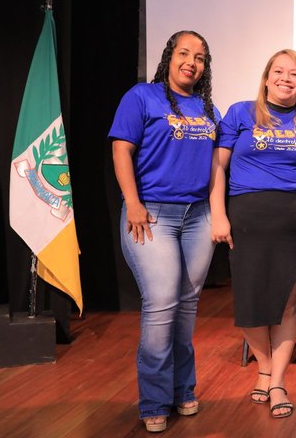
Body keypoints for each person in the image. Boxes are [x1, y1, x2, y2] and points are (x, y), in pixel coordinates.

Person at [209, 49, 296, 419]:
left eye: (294, 73)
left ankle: (277, 380)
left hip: (294, 224)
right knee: (248, 306)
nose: (285, 78)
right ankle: (264, 366)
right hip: (246, 219)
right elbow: (218, 167)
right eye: (278, 71)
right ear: (266, 78)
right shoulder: (240, 113)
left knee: (286, 305)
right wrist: (218, 215)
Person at [109, 30, 220, 433]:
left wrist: (217, 213)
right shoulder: (142, 96)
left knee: (186, 305)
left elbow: (215, 167)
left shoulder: (210, 109)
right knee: (160, 304)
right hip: (151, 214)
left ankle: (182, 389)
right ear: (169, 57)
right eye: (184, 53)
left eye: (200, 57)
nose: (192, 62)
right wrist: (133, 203)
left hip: (198, 216)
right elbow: (121, 149)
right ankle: (154, 399)